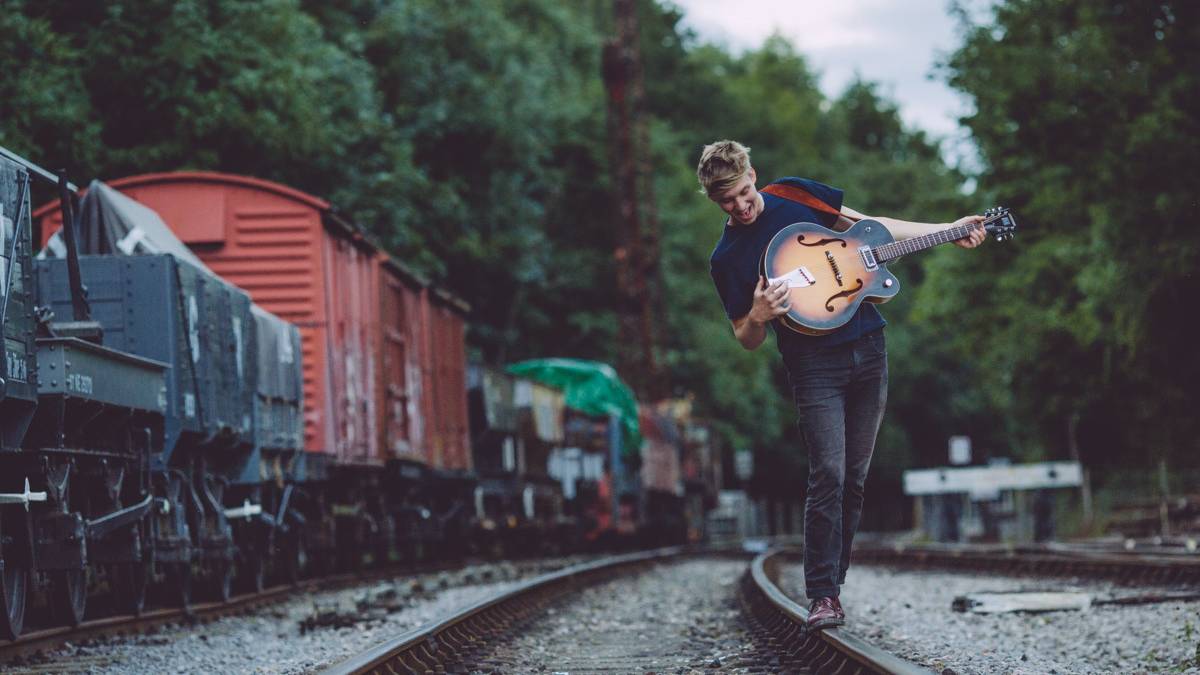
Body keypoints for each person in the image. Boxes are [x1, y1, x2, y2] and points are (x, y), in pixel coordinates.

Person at [697, 140, 985, 630]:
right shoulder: (727, 258)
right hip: (813, 366)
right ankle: (823, 595)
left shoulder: (795, 195)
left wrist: (948, 230)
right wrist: (758, 315)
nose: (741, 207)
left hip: (869, 347)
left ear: (753, 174)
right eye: (727, 202)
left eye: (744, 192)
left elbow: (871, 226)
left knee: (854, 477)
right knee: (828, 472)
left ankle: (835, 579)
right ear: (714, 200)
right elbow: (745, 337)